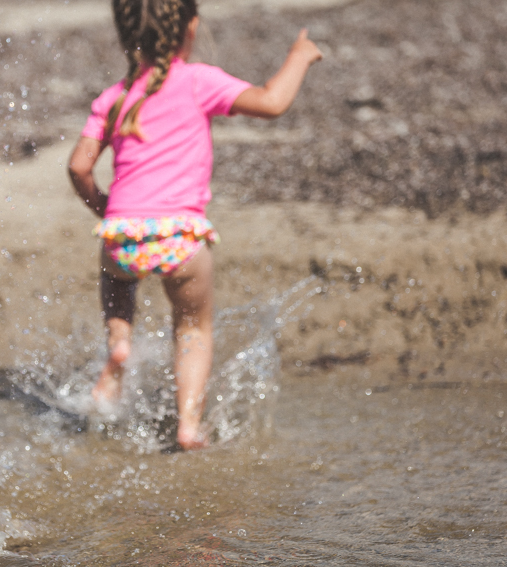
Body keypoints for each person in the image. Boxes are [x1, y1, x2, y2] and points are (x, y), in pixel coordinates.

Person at [68, 0, 322, 450]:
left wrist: (104, 209)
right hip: (181, 240)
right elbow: (272, 101)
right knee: (191, 328)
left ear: (126, 34)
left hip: (122, 235)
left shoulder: (114, 97)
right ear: (190, 26)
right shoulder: (199, 81)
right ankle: (188, 426)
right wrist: (299, 56)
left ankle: (119, 342)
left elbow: (79, 166)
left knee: (117, 283)